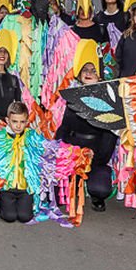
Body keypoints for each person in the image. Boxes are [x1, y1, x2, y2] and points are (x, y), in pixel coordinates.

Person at [54, 41, 118, 211]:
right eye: (85, 70)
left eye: (93, 71)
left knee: (101, 187)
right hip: (72, 152)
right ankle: (71, 184)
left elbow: (110, 136)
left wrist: (95, 158)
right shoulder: (71, 97)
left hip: (95, 154)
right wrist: (60, 150)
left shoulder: (108, 100)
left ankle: (96, 194)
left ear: (100, 75)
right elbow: (64, 128)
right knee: (58, 193)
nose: (88, 73)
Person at [0, 101, 41, 224]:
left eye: (22, 122)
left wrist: (78, 152)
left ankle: (23, 203)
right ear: (7, 120)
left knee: (25, 217)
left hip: (25, 188)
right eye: (14, 121)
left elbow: (51, 148)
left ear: (27, 121)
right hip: (6, 187)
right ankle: (4, 204)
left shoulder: (32, 136)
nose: (18, 126)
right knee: (9, 217)